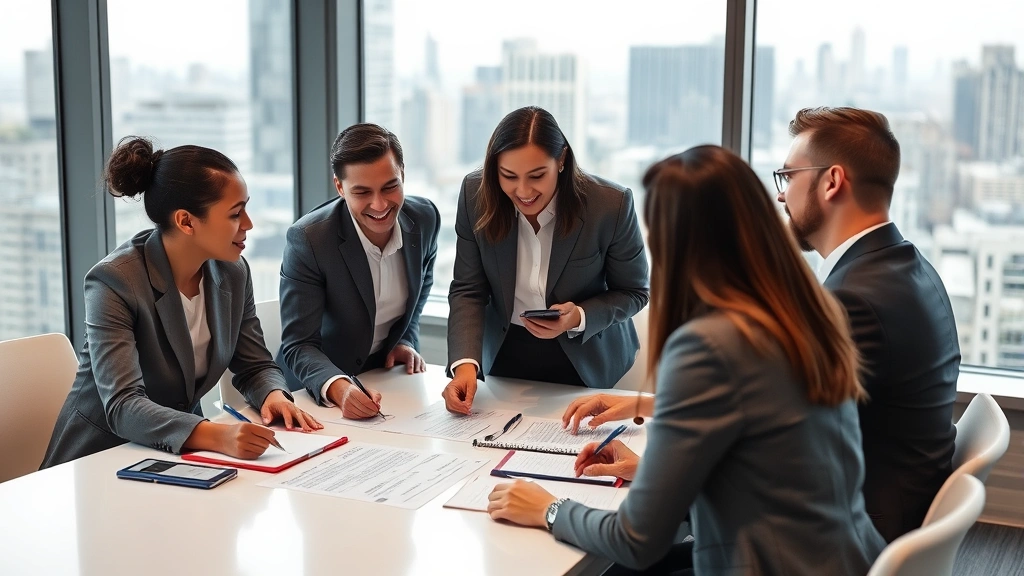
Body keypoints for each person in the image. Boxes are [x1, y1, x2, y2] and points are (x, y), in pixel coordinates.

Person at [486, 145, 886, 575]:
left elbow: (635, 540)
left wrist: (549, 508)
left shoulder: (707, 345)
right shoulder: (806, 313)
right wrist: (654, 472)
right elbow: (764, 457)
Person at [42, 137, 320, 468]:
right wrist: (218, 436)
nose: (248, 224)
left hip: (180, 455)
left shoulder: (233, 271)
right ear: (186, 221)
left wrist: (273, 395)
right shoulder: (114, 282)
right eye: (235, 213)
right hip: (101, 461)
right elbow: (123, 405)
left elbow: (254, 365)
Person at [775, 106, 960, 542]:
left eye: (787, 177)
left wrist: (663, 473)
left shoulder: (853, 299)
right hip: (883, 513)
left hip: (844, 540)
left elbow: (779, 445)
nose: (781, 196)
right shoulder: (908, 266)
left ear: (832, 181)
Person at [443, 106, 649, 414]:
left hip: (584, 356)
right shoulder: (476, 194)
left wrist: (578, 316)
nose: (523, 191)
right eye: (509, 176)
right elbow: (468, 289)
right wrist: (464, 364)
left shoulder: (610, 205)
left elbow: (635, 292)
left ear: (562, 160)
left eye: (537, 175)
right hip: (504, 350)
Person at [278, 124, 439, 420]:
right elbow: (299, 345)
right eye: (362, 192)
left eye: (390, 186)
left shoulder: (425, 218)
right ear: (340, 188)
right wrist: (340, 388)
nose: (379, 205)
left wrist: (406, 338)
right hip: (315, 395)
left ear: (402, 173)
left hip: (384, 382)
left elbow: (423, 280)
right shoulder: (309, 239)